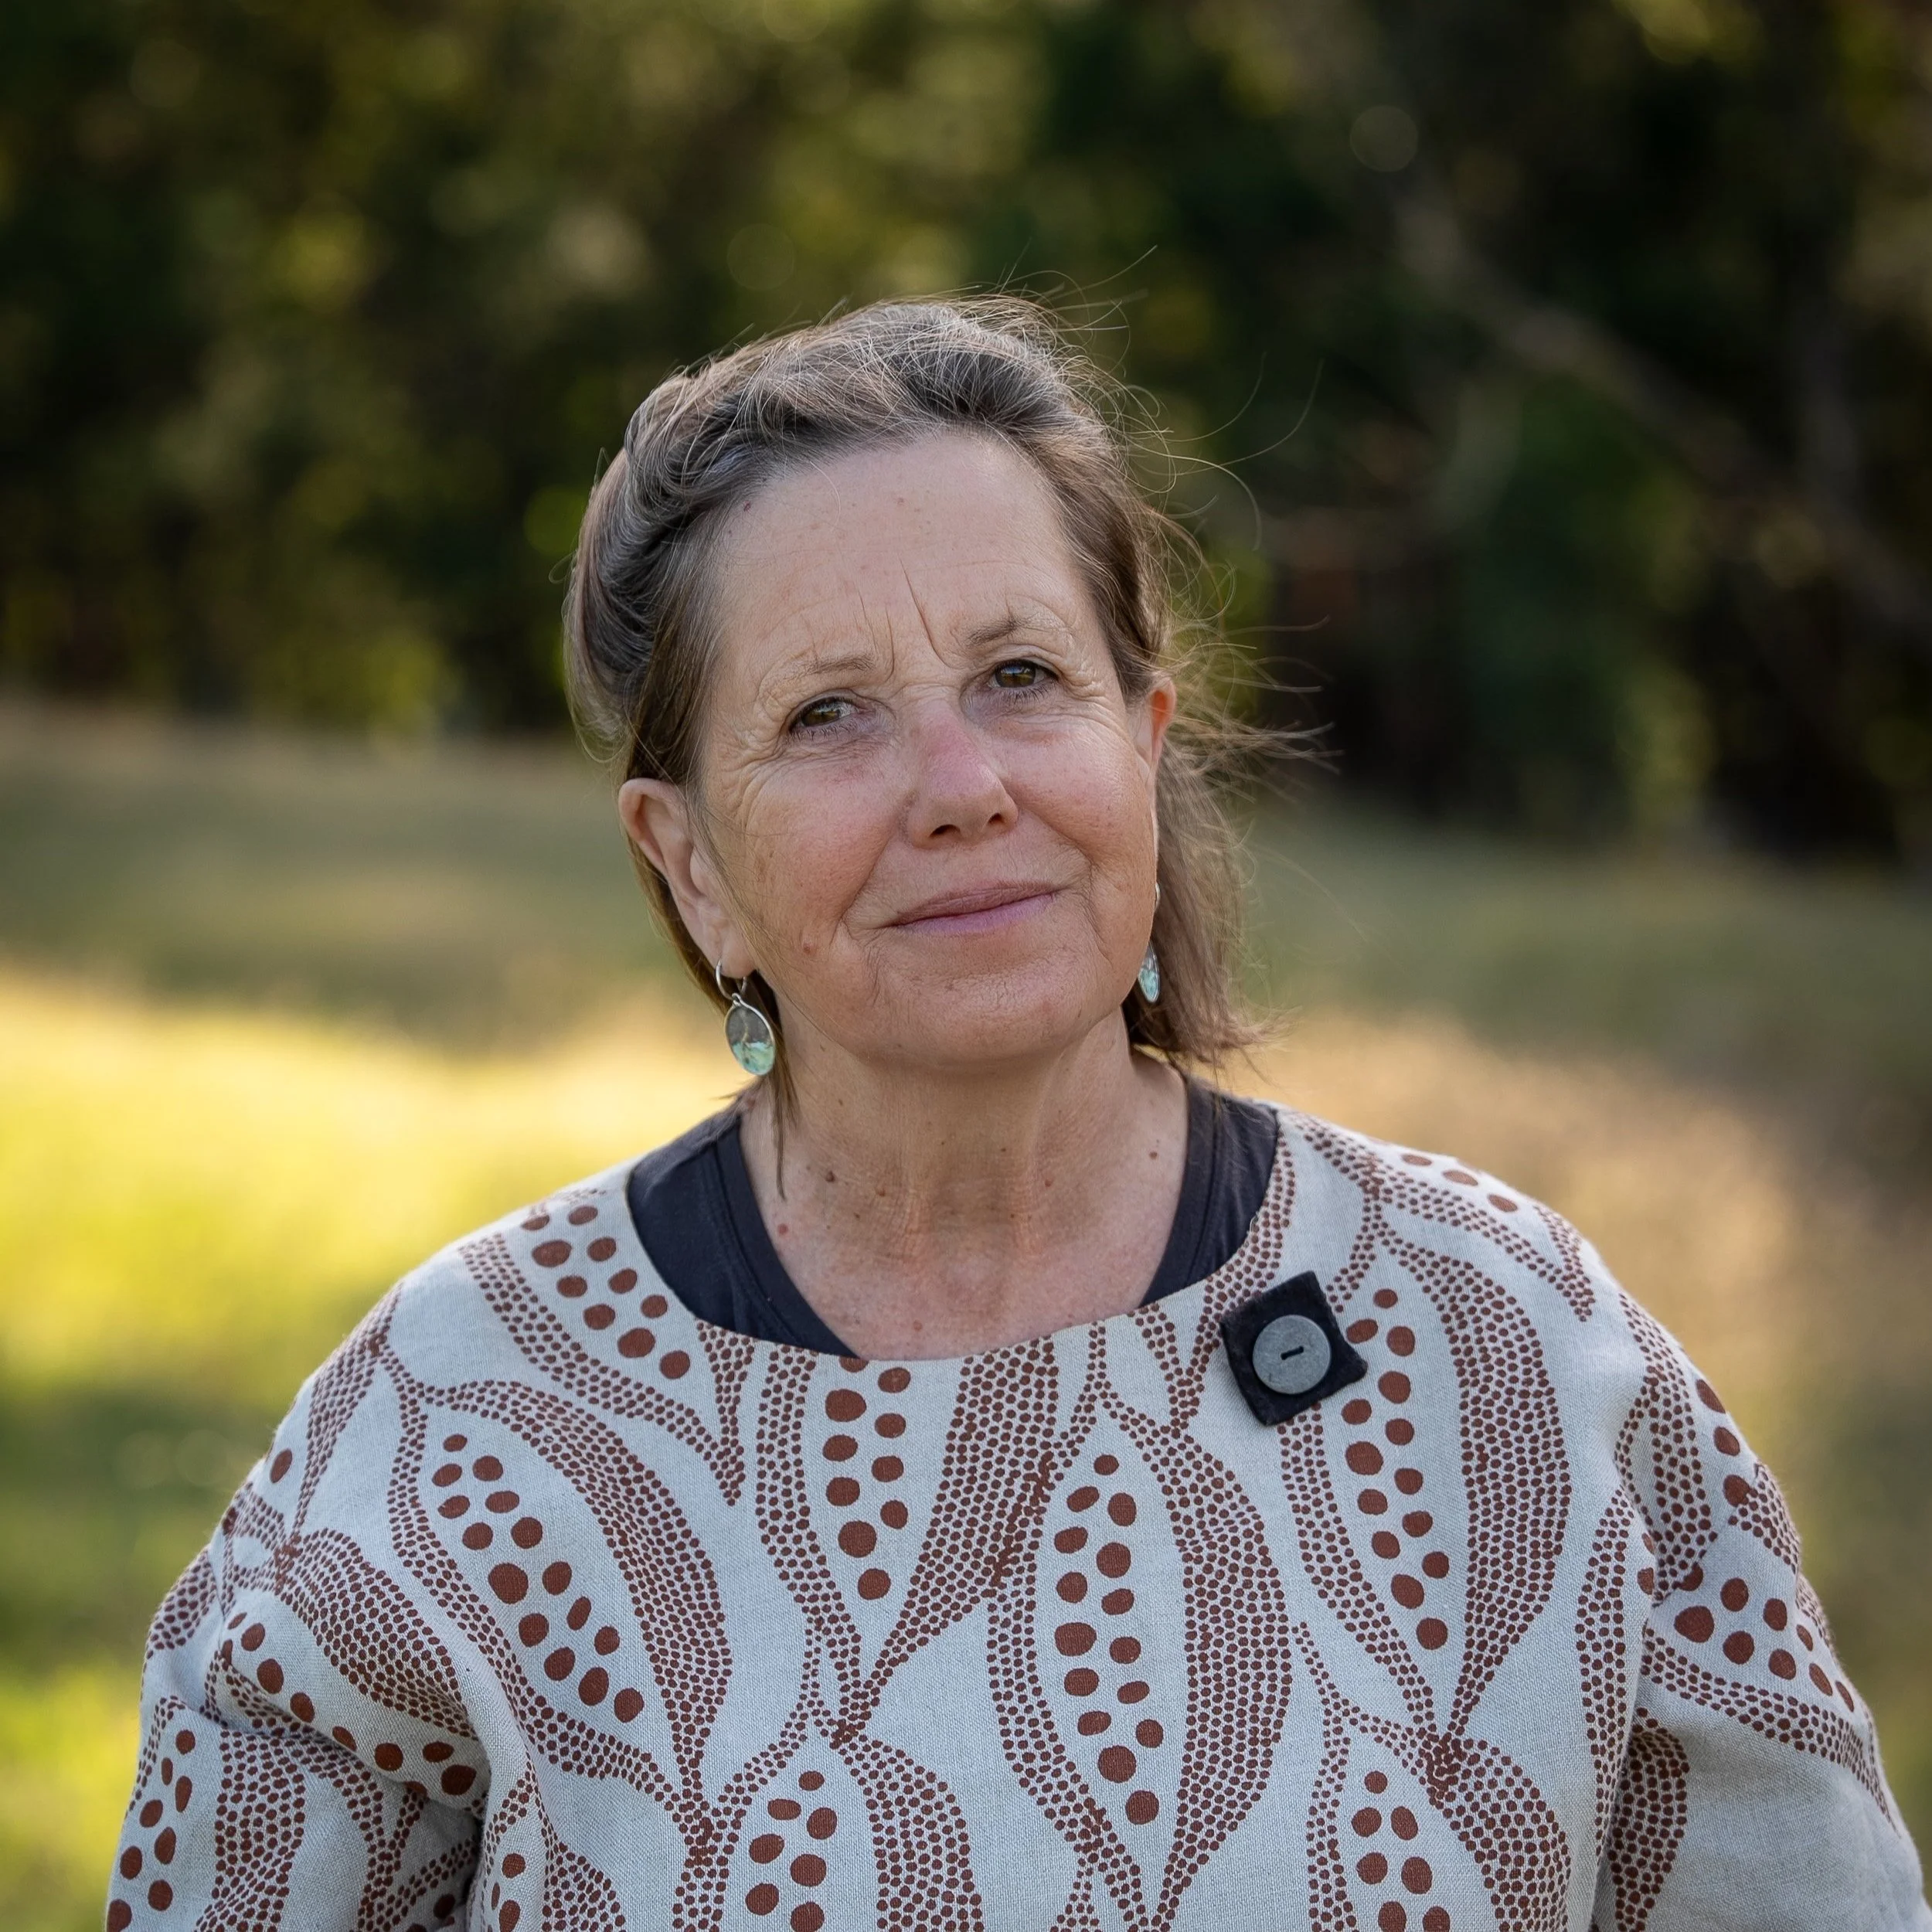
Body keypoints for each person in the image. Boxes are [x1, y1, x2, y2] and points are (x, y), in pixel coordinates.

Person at [107, 300, 1927, 1932]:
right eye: (829, 713)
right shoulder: (454, 1427)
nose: (961, 785)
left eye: (1019, 679)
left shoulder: (1516, 1352)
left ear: (1139, 737)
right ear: (690, 866)